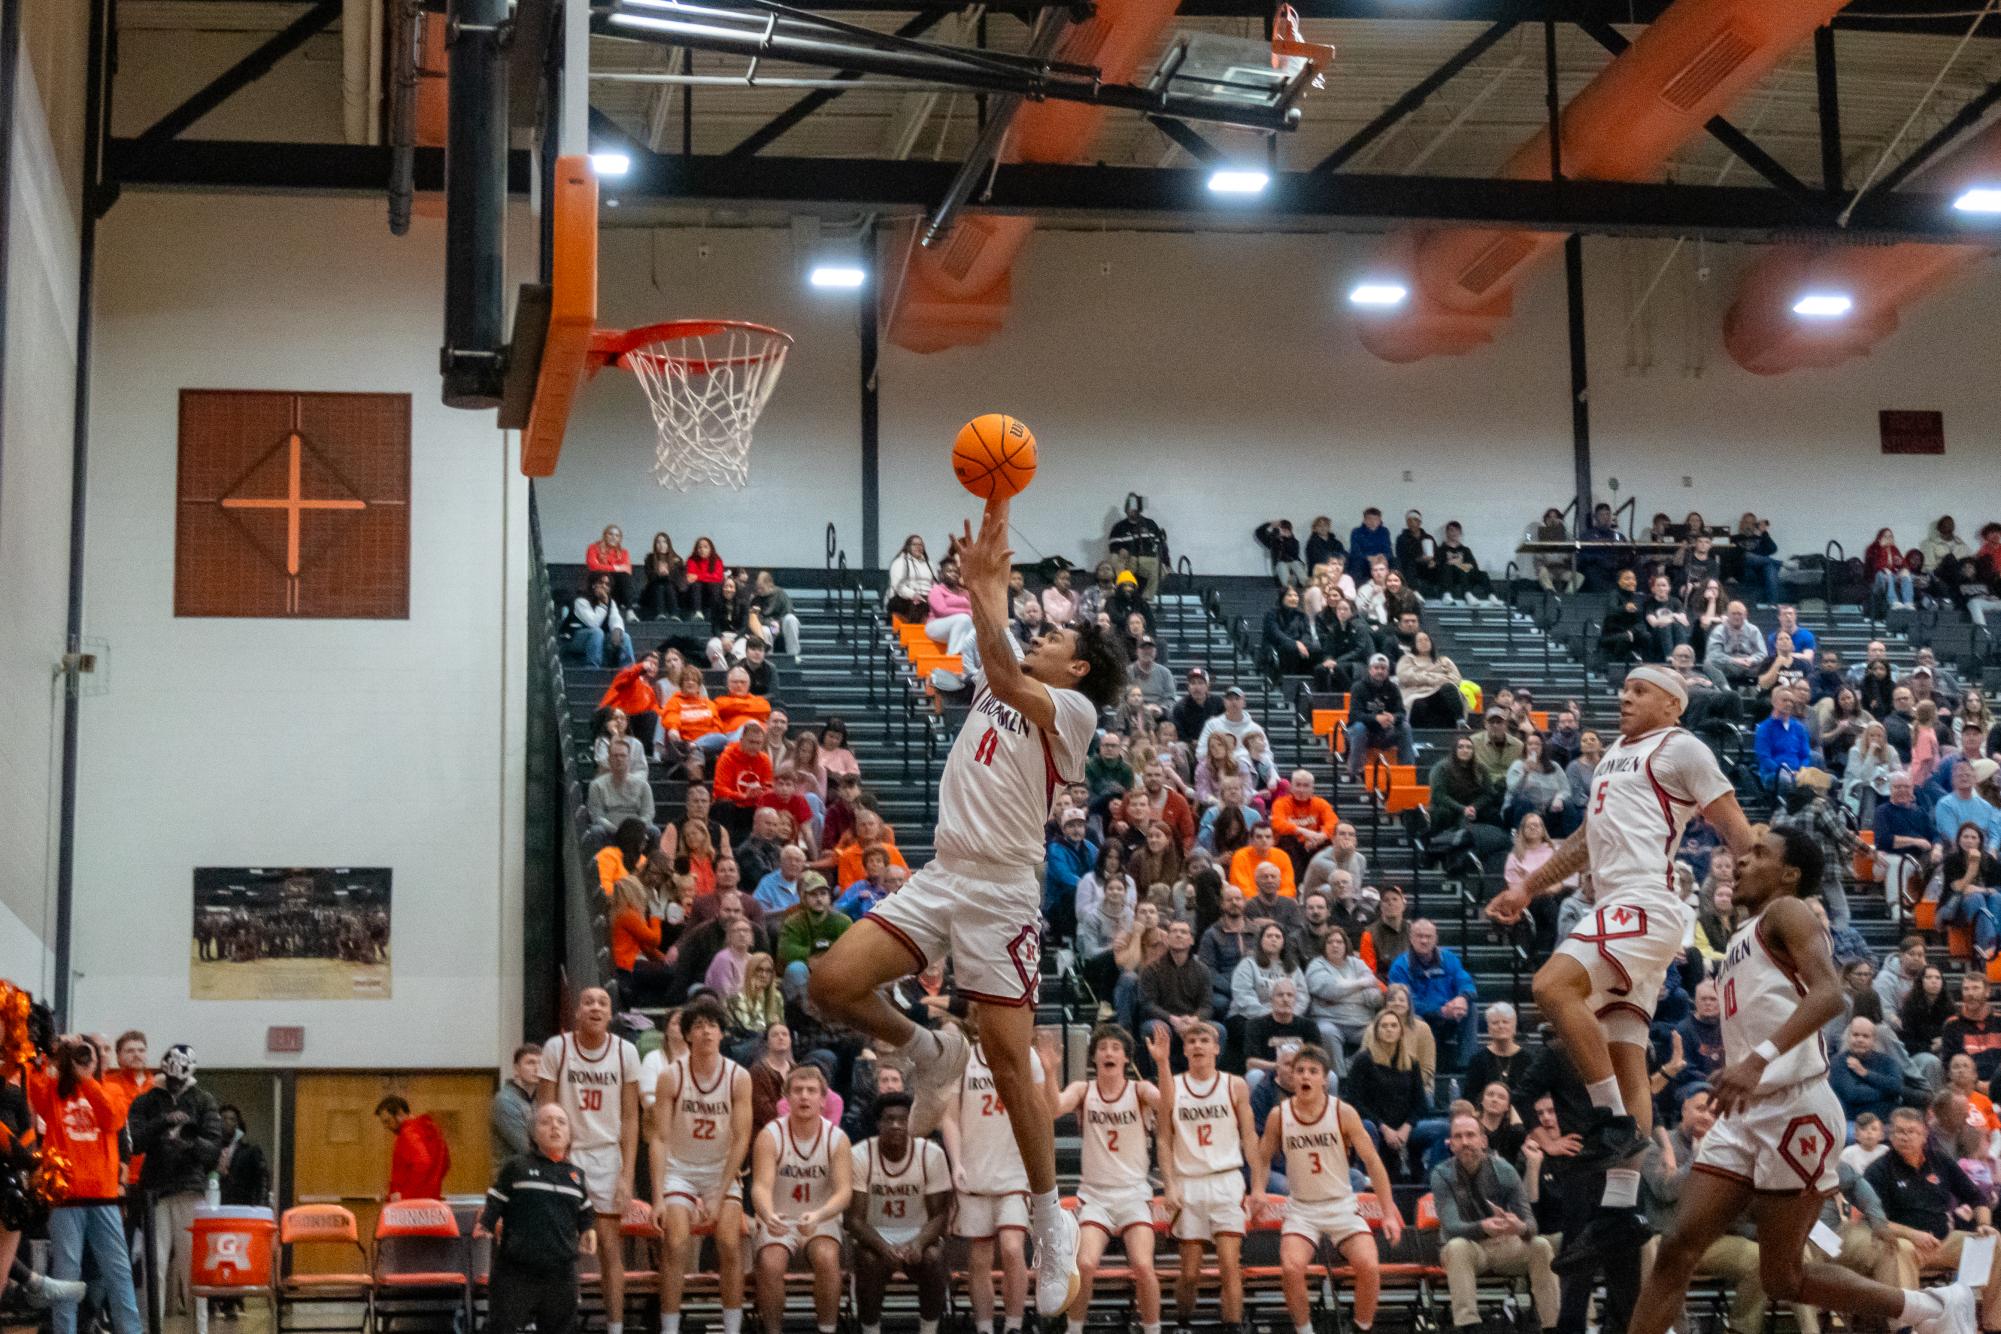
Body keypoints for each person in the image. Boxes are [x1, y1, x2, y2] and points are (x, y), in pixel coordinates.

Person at [807, 496, 1124, 1320]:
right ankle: (926, 1047)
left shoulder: (1074, 712)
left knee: (1013, 1059)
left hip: (1003, 892)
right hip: (945, 873)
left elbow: (1005, 667)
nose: (1044, 633)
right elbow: (995, 654)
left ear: (1079, 667)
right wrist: (986, 573)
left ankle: (1053, 1225)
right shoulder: (1011, 669)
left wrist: (985, 586)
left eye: (1059, 636)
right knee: (829, 984)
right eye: (1043, 628)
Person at [1629, 825, 1973, 1334]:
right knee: (1676, 1249)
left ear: (1789, 875)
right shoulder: (1741, 932)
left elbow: (1832, 995)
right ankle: (1936, 1309)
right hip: (1745, 1112)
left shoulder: (1786, 911)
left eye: (1759, 854)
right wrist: (1744, 1063)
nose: (1742, 862)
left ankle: (1935, 1309)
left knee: (1783, 1277)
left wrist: (1756, 1060)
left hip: (1797, 1111)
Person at [1486, 666, 1752, 1256]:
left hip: (1645, 902)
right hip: (1623, 907)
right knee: (1627, 1054)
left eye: (1639, 692)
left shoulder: (1681, 747)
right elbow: (1583, 841)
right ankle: (1621, 1208)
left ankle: (1608, 1120)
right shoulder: (1611, 758)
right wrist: (1529, 887)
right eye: (1623, 689)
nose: (1625, 698)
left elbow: (1735, 827)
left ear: (1672, 705)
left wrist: (1765, 897)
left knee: (1552, 988)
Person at [1251, 1044, 1402, 1334]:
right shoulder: (1278, 1115)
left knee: (1369, 1265)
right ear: (1292, 1077)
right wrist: (1258, 1189)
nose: (1305, 1076)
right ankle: (1305, 1329)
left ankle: (1362, 1327)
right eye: (1300, 1071)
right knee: (1292, 1267)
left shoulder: (1343, 1112)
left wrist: (1389, 1213)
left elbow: (1373, 1163)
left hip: (1341, 1204)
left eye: (1312, 1071)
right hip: (1302, 1208)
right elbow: (1262, 1157)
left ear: (1325, 1078)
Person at [1036, 1027, 1167, 1334]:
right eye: (1103, 1048)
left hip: (1134, 1195)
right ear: (1094, 1056)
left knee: (1144, 1266)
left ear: (1125, 1057)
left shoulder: (1140, 1091)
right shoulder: (1084, 1090)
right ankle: (1075, 1328)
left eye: (1115, 1048)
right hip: (1095, 1198)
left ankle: (1153, 1328)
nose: (1109, 1052)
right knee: (1085, 1265)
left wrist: (1162, 1064)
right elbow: (1054, 1108)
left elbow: (1167, 1104)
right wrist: (1050, 1070)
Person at [538, 987, 643, 1334]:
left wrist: (627, 1173)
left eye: (603, 1003)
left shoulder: (626, 1051)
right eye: (588, 1002)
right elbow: (545, 1111)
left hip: (606, 1156)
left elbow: (631, 1118)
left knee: (610, 1250)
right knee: (559, 1249)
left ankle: (615, 1328)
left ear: (611, 1013)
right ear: (577, 1012)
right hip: (566, 1156)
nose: (595, 1007)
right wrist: (552, 1162)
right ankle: (557, 1324)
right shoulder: (557, 1048)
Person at [650, 999, 752, 1334]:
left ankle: (732, 1327)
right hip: (680, 1168)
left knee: (728, 1241)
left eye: (712, 1025)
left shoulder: (738, 1077)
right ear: (687, 1035)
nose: (706, 1031)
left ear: (722, 1033)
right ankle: (669, 1327)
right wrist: (658, 1198)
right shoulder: (671, 1076)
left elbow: (741, 1138)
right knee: (676, 1242)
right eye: (698, 1026)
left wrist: (720, 1193)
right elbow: (660, 1139)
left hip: (720, 1170)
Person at [938, 1025, 1046, 1334]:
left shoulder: (1026, 1057)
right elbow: (950, 1117)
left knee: (1013, 1248)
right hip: (974, 1170)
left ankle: (1014, 1324)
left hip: (1014, 1170)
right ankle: (984, 1326)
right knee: (979, 1257)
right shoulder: (964, 1059)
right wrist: (956, 1162)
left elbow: (1040, 1114)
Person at [33, 1036, 143, 1334]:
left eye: (90, 1055)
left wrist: (87, 1080)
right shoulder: (55, 1093)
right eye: (80, 1055)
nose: (86, 1059)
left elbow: (111, 1120)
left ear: (99, 1061)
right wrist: (52, 1054)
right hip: (66, 1197)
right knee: (65, 1278)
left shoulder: (113, 1089)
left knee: (118, 1273)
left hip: (104, 1197)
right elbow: (33, 1085)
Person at [1152, 1023, 1255, 1331]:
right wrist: (1168, 1184)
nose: (1197, 1045)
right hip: (1189, 1182)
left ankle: (1233, 1326)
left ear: (1216, 1048)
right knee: (1190, 1272)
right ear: (1184, 1050)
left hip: (1226, 1179)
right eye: (1192, 1041)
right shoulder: (1172, 1086)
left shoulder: (1235, 1085)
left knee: (1229, 1266)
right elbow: (1163, 1139)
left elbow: (1249, 1136)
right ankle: (1182, 1322)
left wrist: (1258, 1185)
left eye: (1204, 1040)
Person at [1866, 1108, 2000, 1326]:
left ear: (1924, 1135)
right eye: (1899, 1131)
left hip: (1943, 1243)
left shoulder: (1940, 1162)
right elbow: (1876, 1220)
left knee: (1994, 1242)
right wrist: (1914, 1235)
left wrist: (1984, 1224)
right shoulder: (1879, 1170)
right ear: (1890, 1136)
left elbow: (1977, 1198)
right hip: (1905, 1245)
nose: (1905, 1137)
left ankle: (1994, 1324)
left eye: (1911, 1132)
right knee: (1900, 1249)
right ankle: (1905, 1328)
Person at [749, 1064, 852, 1334]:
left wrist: (819, 1215)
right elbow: (760, 1186)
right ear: (786, 1098)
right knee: (771, 1262)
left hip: (820, 1217)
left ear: (822, 1099)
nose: (804, 1096)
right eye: (797, 1091)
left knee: (828, 1258)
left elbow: (844, 1192)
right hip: (780, 1216)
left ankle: (827, 1328)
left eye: (811, 1091)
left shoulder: (837, 1138)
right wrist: (768, 1214)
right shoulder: (770, 1135)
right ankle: (772, 1329)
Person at [1433, 1113, 1557, 1333]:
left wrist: (1518, 1227)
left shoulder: (1504, 1170)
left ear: (1483, 1141)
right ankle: (1469, 1325)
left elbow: (1531, 1224)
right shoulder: (1441, 1174)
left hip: (1503, 1246)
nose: (1465, 1142)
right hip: (1469, 1249)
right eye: (1458, 1137)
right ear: (1451, 1145)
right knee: (1456, 1247)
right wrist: (1484, 1227)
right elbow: (1451, 1227)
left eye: (1470, 1135)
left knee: (1540, 1245)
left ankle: (1552, 1326)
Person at [126, 1044, 223, 1321]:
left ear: (190, 1075)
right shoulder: (146, 1101)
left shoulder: (204, 1101)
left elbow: (214, 1151)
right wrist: (163, 1122)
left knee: (193, 1268)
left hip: (191, 1191)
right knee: (152, 1267)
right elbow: (134, 1143)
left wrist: (188, 1142)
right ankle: (150, 1327)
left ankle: (200, 1327)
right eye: (171, 1078)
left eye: (180, 1079)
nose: (175, 1084)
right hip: (155, 1192)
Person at [481, 1103, 598, 1334]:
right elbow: (496, 1199)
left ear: (569, 1134)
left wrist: (588, 1230)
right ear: (533, 1133)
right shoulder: (517, 1167)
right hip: (516, 1270)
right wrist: (485, 1223)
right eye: (546, 1122)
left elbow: (585, 1211)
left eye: (561, 1122)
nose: (555, 1126)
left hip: (561, 1272)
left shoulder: (575, 1176)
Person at [848, 1092, 952, 1334]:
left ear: (911, 1123)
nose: (895, 1125)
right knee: (868, 1260)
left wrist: (918, 1243)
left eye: (902, 1120)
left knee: (933, 1258)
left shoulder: (931, 1154)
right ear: (878, 1124)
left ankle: (929, 1329)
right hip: (875, 1234)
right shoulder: (860, 1155)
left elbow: (940, 1215)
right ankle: (870, 1329)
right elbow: (854, 1219)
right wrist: (883, 1247)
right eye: (889, 1119)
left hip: (919, 1232)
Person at [1387, 919, 1477, 1071]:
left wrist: (1462, 998)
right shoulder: (1400, 966)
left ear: (1435, 939)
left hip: (1450, 1016)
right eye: (1419, 936)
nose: (1424, 940)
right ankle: (1419, 1068)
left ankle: (1466, 1066)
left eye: (1428, 936)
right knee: (1413, 1017)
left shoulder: (1449, 958)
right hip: (1423, 1017)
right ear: (1411, 938)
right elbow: (1405, 1001)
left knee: (1471, 1008)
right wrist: (1440, 1010)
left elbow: (1464, 980)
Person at [1344, 654, 1416, 778]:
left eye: (1383, 668)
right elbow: (1354, 715)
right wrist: (1376, 718)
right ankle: (1354, 771)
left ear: (1387, 671)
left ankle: (1407, 771)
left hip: (1383, 733)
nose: (1380, 671)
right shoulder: (1358, 687)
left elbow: (1401, 713)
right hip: (1360, 733)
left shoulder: (1393, 688)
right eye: (1376, 668)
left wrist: (1393, 718)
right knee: (1359, 727)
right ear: (1370, 669)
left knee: (1405, 727)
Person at [377, 1094, 451, 1200]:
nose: (386, 1126)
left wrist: (404, 1195)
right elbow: (445, 1164)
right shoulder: (430, 1129)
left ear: (399, 1114)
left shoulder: (408, 1133)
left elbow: (422, 1162)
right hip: (430, 1199)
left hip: (410, 1203)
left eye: (387, 1121)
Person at [571, 571, 636, 667]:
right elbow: (593, 623)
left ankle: (629, 670)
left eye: (607, 584)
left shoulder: (610, 602)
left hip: (598, 638)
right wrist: (603, 605)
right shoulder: (581, 600)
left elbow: (616, 619)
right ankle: (592, 667)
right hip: (576, 638)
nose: (604, 586)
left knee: (624, 636)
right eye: (601, 583)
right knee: (596, 632)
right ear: (593, 585)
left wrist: (617, 631)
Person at [1109, 495, 1167, 597]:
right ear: (1126, 509)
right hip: (1127, 560)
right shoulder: (1119, 527)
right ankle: (1122, 594)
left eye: (1136, 507)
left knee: (1159, 568)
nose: (1133, 510)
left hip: (1147, 559)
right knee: (1116, 558)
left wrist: (1167, 563)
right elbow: (1113, 546)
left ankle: (1146, 600)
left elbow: (1161, 545)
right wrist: (1121, 550)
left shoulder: (1150, 524)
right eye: (1131, 507)